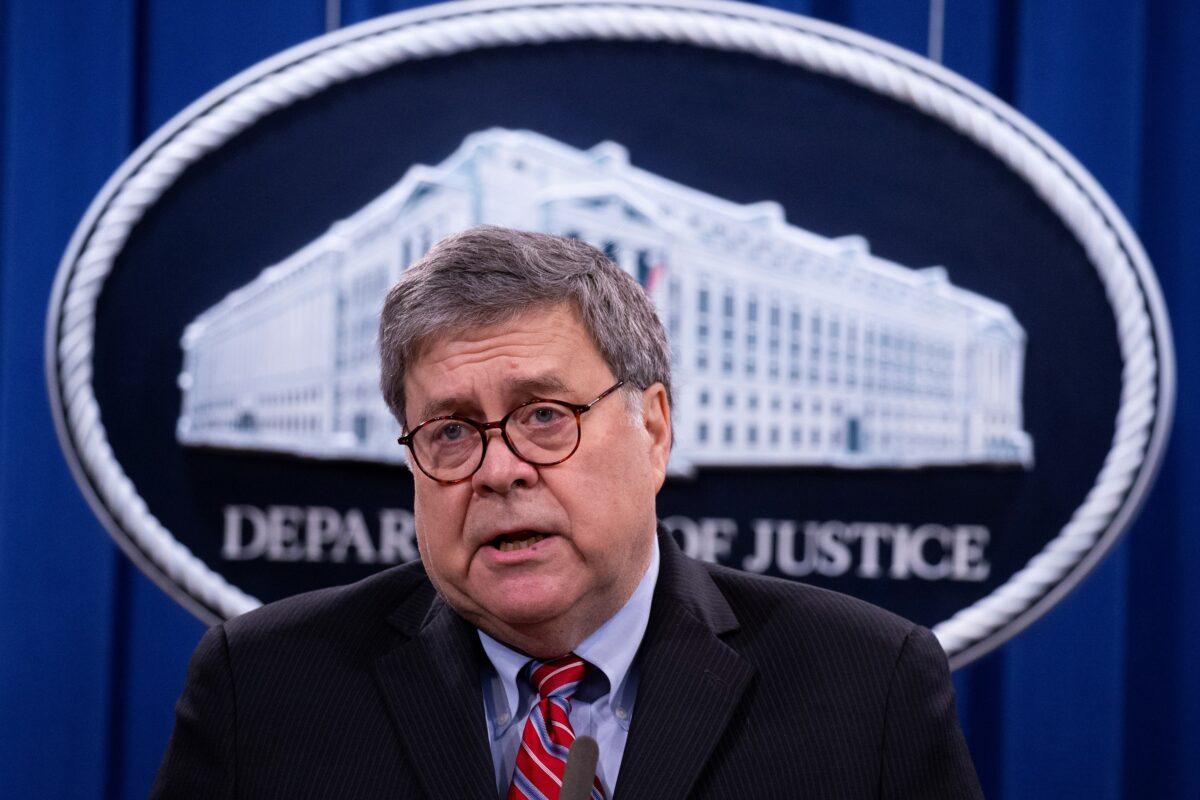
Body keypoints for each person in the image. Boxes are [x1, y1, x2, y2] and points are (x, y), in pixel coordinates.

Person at [152, 226, 983, 799]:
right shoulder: (262, 688)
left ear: (652, 429)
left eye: (544, 416)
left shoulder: (867, 686)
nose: (500, 470)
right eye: (450, 431)